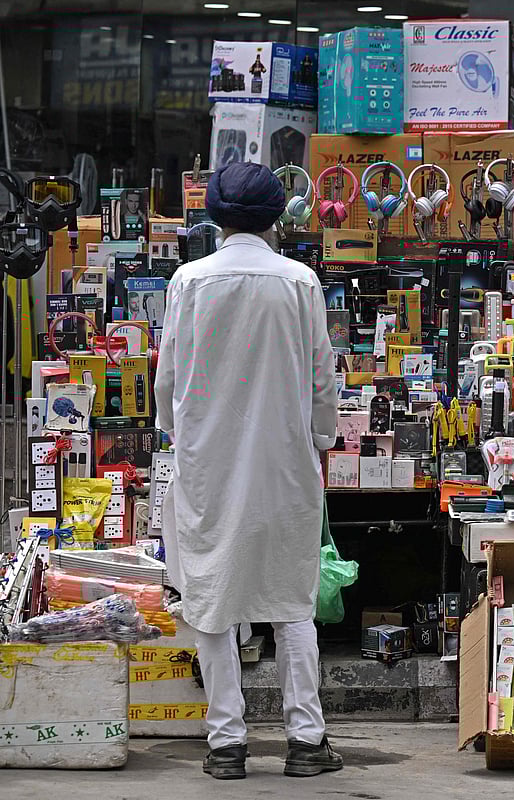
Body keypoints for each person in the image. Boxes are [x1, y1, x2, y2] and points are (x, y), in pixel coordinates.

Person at [155, 162, 340, 780]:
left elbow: (168, 380)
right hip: (286, 465)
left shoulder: (188, 281)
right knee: (292, 601)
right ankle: (306, 740)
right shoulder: (299, 282)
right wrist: (320, 439)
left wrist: (179, 436)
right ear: (276, 217)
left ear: (213, 215)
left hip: (207, 465)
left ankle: (226, 744)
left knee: (211, 595)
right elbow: (322, 377)